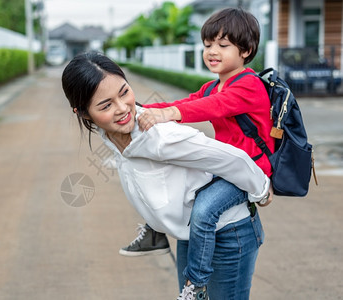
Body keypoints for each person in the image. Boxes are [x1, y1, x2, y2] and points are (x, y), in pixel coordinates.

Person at [61, 51, 270, 299]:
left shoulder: (161, 138)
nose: (122, 108)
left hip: (228, 233)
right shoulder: (111, 135)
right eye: (106, 105)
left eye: (124, 92)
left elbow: (234, 159)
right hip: (191, 234)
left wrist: (261, 190)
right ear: (84, 113)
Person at [120, 7, 275, 298]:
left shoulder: (249, 85)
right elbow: (188, 101)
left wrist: (169, 114)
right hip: (224, 167)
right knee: (175, 192)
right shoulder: (214, 85)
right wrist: (135, 110)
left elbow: (209, 108)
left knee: (204, 210)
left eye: (222, 45)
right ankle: (156, 233)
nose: (212, 51)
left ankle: (196, 284)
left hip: (249, 170)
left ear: (247, 50)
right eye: (207, 45)